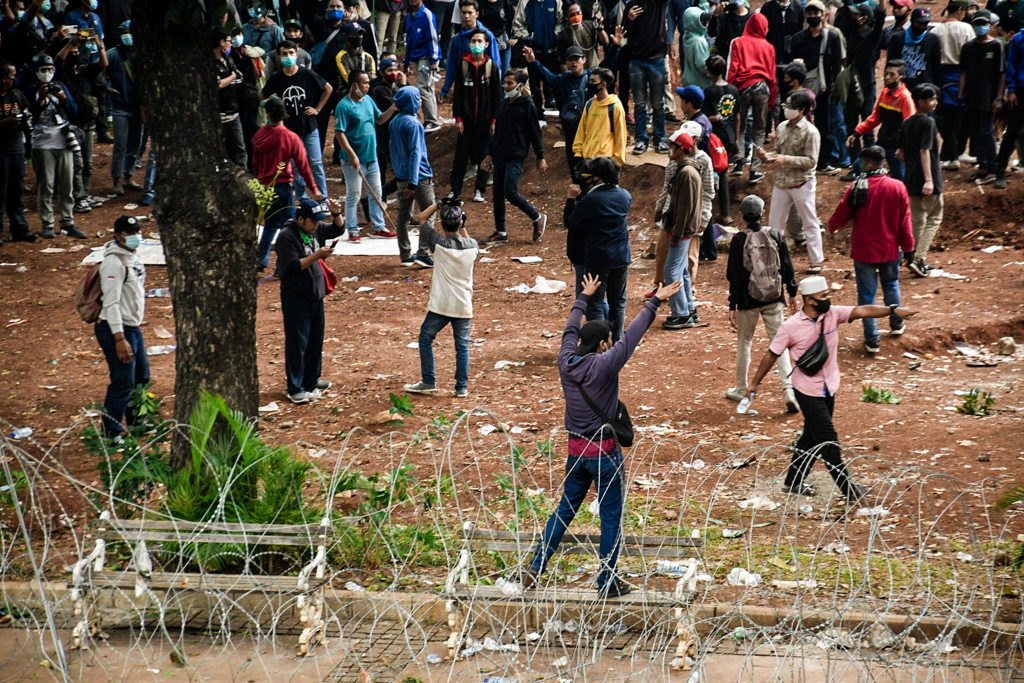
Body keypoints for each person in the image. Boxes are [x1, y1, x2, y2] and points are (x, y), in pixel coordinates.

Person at [522, 275, 682, 599]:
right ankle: (607, 580)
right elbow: (632, 337)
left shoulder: (566, 361)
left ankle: (536, 565)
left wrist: (583, 297)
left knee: (565, 509)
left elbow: (570, 329)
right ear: (602, 344)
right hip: (604, 454)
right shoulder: (606, 365)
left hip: (575, 452)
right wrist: (656, 300)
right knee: (610, 516)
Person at [746, 275, 918, 501]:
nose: (828, 299)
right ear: (809, 300)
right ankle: (849, 490)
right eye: (823, 296)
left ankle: (793, 482)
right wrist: (755, 383)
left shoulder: (832, 314)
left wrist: (893, 310)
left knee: (811, 436)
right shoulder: (791, 327)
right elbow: (772, 354)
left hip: (829, 386)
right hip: (806, 390)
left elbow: (862, 311)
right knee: (828, 441)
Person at [827, 146, 915, 354]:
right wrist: (909, 248)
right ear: (883, 162)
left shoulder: (857, 186)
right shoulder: (898, 187)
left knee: (867, 295)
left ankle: (872, 339)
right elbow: (905, 222)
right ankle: (896, 323)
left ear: (865, 163)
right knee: (891, 285)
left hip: (864, 250)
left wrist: (832, 226)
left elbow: (842, 213)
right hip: (890, 249)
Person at [726, 195, 799, 413]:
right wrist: (792, 292)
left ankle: (741, 388)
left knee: (744, 342)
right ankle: (788, 390)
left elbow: (735, 275)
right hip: (774, 298)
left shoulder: (739, 240)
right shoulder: (775, 235)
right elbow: (787, 266)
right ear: (762, 213)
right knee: (780, 344)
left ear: (743, 216)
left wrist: (733, 305)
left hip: (748, 300)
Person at [403, 199, 480, 397]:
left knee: (426, 338)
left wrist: (438, 205)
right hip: (463, 305)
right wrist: (463, 226)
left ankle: (429, 380)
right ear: (460, 222)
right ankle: (461, 387)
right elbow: (471, 246)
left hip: (441, 305)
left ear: (443, 224)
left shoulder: (438, 244)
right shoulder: (472, 246)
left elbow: (420, 218)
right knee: (462, 347)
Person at [276, 198, 345, 404]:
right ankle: (295, 387)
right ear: (300, 219)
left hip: (316, 295)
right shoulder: (286, 237)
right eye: (313, 221)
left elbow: (337, 230)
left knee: (315, 340)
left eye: (318, 221)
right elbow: (292, 267)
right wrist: (317, 256)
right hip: (296, 297)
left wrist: (336, 213)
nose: (316, 225)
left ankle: (311, 380)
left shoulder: (314, 230)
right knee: (298, 342)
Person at [565, 156, 631, 342]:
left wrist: (571, 199)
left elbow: (570, 222)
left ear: (598, 177)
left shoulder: (592, 199)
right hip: (621, 257)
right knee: (618, 302)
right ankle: (617, 342)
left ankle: (599, 343)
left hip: (598, 260)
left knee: (594, 304)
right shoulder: (625, 195)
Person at [253, 96, 322, 272]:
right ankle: (282, 264)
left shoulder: (259, 136)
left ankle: (262, 259)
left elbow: (255, 164)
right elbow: (303, 165)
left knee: (269, 224)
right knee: (290, 226)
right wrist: (313, 188)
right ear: (285, 115)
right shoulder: (290, 137)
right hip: (283, 186)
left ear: (268, 114)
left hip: (265, 187)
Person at [481, 68, 548, 244]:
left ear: (520, 85)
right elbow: (499, 133)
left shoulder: (528, 106)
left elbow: (535, 133)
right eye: (506, 82)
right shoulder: (504, 105)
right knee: (497, 194)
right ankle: (500, 231)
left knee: (509, 191)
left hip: (516, 156)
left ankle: (536, 217)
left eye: (510, 83)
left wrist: (540, 156)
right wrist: (490, 154)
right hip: (500, 155)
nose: (506, 86)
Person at [95, 215, 147, 440]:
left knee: (141, 376)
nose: (136, 237)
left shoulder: (132, 258)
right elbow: (111, 302)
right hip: (115, 329)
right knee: (123, 381)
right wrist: (119, 339)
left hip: (133, 327)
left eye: (137, 232)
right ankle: (111, 432)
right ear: (118, 236)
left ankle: (136, 423)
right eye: (130, 234)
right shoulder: (113, 263)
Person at [761, 90, 823, 273]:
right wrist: (766, 157)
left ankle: (816, 261)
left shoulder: (811, 132)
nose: (787, 110)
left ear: (802, 110)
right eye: (786, 106)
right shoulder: (781, 127)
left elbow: (811, 162)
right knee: (774, 225)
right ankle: (774, 261)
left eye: (791, 107)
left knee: (809, 222)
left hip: (802, 183)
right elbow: (778, 152)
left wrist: (785, 159)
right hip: (781, 182)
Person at [262, 39, 332, 200]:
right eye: (284, 54)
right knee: (296, 166)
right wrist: (275, 111)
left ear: (297, 53)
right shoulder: (276, 78)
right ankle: (302, 200)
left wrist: (318, 109)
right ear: (279, 57)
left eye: (291, 53)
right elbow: (262, 96)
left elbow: (327, 88)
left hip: (308, 124)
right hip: (289, 129)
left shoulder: (306, 73)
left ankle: (324, 198)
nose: (288, 56)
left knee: (315, 163)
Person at [334, 69, 398, 242]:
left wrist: (392, 108)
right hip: (352, 160)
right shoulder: (343, 106)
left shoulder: (368, 100)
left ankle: (378, 226)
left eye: (369, 82)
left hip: (372, 157)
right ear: (354, 85)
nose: (368, 86)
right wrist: (352, 155)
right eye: (365, 83)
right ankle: (353, 229)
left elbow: (380, 119)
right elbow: (339, 134)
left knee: (376, 192)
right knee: (354, 194)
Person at [26, 53, 84, 239]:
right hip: (43, 142)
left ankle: (68, 222)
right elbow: (29, 116)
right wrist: (40, 100)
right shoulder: (29, 90)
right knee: (46, 185)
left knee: (67, 184)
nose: (47, 73)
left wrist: (64, 98)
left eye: (50, 70)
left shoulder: (60, 86)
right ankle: (48, 224)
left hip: (64, 139)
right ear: (36, 72)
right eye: (43, 70)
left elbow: (75, 111)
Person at [788, 0, 846, 172]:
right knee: (801, 125)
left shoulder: (832, 37)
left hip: (825, 89)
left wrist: (833, 87)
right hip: (803, 91)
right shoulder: (799, 38)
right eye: (810, 14)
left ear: (823, 15)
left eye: (816, 13)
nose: (813, 17)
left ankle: (823, 162)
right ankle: (801, 160)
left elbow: (837, 65)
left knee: (825, 126)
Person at [449, 29, 501, 202]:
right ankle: (455, 191)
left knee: (483, 156)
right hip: (466, 120)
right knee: (461, 157)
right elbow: (457, 95)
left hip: (485, 121)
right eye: (473, 41)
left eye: (480, 41)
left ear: (486, 44)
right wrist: (458, 118)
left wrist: (494, 120)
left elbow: (496, 96)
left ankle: (480, 190)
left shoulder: (491, 66)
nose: (476, 44)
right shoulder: (462, 65)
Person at [658, 131, 703, 330]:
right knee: (682, 270)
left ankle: (681, 314)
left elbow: (684, 208)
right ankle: (689, 309)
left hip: (682, 230)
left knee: (671, 270)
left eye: (672, 147)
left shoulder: (686, 173)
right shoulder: (687, 169)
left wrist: (676, 234)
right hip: (684, 229)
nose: (669, 150)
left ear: (679, 149)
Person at [727, 13, 777, 184]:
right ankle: (755, 170)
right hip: (762, 88)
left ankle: (739, 163)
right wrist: (771, 102)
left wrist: (730, 92)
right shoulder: (769, 47)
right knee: (759, 130)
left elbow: (733, 69)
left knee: (739, 128)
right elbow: (772, 76)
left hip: (742, 88)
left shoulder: (738, 42)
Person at [899, 83, 944, 276]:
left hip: (910, 177)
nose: (934, 103)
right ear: (921, 102)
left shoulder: (906, 123)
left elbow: (900, 153)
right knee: (934, 216)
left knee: (917, 219)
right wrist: (929, 179)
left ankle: (911, 257)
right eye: (931, 99)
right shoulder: (929, 123)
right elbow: (924, 150)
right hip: (928, 175)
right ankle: (919, 258)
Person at [390, 85, 437, 267]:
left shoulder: (395, 122)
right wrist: (413, 183)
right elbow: (415, 153)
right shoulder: (414, 124)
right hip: (419, 178)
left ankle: (405, 254)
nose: (420, 101)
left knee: (403, 216)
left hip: (401, 177)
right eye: (417, 99)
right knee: (429, 213)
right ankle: (423, 253)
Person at [959, 9, 1005, 185]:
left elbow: (1001, 74)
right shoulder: (968, 47)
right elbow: (963, 72)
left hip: (988, 96)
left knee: (986, 132)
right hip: (972, 96)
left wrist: (999, 97)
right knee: (975, 131)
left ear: (990, 25)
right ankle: (983, 166)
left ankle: (992, 168)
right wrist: (960, 95)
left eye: (983, 24)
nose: (981, 27)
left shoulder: (996, 46)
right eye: (977, 24)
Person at [848, 60, 915, 180]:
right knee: (859, 166)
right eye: (886, 74)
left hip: (896, 146)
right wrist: (857, 133)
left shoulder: (905, 98)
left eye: (892, 74)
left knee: (899, 178)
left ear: (900, 77)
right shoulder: (885, 93)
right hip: (883, 141)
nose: (887, 77)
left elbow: (909, 128)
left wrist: (902, 148)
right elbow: (875, 118)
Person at [930, 0, 976, 170]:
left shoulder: (935, 31)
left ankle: (953, 153)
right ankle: (955, 153)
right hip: (961, 75)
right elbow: (972, 54)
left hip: (942, 78)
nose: (967, 13)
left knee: (946, 118)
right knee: (961, 116)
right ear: (958, 10)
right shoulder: (966, 29)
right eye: (965, 10)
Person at [624, 0, 670, 154]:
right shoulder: (631, 5)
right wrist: (630, 19)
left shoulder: (658, 4)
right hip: (636, 60)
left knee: (658, 103)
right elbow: (624, 31)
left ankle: (660, 139)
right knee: (639, 103)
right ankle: (641, 140)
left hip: (656, 59)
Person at [105, 26, 143, 196]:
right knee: (120, 145)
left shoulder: (139, 53)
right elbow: (96, 71)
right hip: (120, 107)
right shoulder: (113, 54)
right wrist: (107, 88)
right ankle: (116, 180)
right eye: (124, 32)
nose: (127, 35)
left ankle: (129, 176)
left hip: (137, 107)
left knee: (135, 143)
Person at [703, 55, 739, 226]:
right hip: (729, 135)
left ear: (709, 71)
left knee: (709, 171)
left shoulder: (709, 92)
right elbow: (737, 116)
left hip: (714, 138)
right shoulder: (733, 90)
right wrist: (736, 138)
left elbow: (706, 118)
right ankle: (725, 214)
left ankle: (709, 212)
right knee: (723, 172)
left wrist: (712, 119)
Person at [0, 62, 35, 244]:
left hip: (16, 150)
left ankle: (20, 229)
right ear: (4, 79)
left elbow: (27, 114)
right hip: (1, 152)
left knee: (16, 191)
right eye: (12, 76)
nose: (15, 80)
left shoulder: (17, 95)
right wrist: (4, 123)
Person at [442, 0, 502, 103]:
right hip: (464, 85)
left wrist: (495, 86)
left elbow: (496, 64)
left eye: (470, 13)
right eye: (464, 12)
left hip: (484, 85)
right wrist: (445, 89)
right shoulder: (457, 39)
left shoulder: (487, 36)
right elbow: (452, 65)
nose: (466, 16)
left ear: (477, 14)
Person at [512, 0, 562, 116]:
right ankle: (538, 112)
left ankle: (552, 103)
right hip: (534, 51)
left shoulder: (556, 1)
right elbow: (517, 25)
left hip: (552, 49)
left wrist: (556, 34)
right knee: (534, 82)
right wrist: (529, 37)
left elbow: (561, 21)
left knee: (552, 78)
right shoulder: (525, 2)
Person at [571, 66, 626, 167]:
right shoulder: (589, 104)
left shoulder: (615, 107)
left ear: (603, 85)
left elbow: (620, 137)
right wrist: (578, 153)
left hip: (605, 163)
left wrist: (617, 162)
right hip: (587, 161)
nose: (590, 84)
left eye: (593, 81)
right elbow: (581, 131)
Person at [404, 0, 442, 133]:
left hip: (427, 56)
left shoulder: (427, 14)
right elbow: (408, 40)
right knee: (427, 87)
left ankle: (431, 121)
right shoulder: (409, 16)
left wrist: (434, 59)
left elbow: (433, 37)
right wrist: (407, 61)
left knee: (424, 87)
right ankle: (430, 120)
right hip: (416, 56)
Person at [994, 22, 1024, 189]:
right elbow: (1011, 66)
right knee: (1012, 131)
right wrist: (1011, 90)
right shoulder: (1019, 39)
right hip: (1020, 91)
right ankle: (1000, 170)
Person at [212, 29, 247, 168]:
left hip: (234, 112)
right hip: (218, 115)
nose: (231, 44)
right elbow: (218, 84)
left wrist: (231, 79)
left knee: (240, 151)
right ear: (221, 42)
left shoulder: (228, 58)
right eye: (228, 41)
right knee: (219, 152)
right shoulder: (211, 63)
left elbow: (240, 77)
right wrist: (231, 77)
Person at [887, 7, 941, 93]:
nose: (922, 26)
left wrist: (937, 90)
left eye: (925, 23)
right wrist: (889, 87)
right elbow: (890, 65)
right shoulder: (898, 38)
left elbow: (936, 67)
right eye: (919, 23)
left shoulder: (933, 39)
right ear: (912, 21)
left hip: (925, 88)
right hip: (902, 88)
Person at [681, 7, 711, 91]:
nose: (706, 24)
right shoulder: (699, 41)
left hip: (689, 80)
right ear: (694, 23)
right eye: (702, 21)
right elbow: (702, 65)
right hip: (701, 84)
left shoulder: (686, 36)